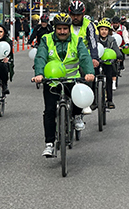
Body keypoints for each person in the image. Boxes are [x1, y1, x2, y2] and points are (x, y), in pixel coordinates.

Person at [32, 13, 95, 157]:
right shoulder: (46, 39)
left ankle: (77, 116)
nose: (62, 32)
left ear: (69, 29)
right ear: (54, 29)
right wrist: (39, 74)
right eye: (59, 28)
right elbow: (41, 56)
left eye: (65, 29)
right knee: (49, 111)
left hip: (72, 80)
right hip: (52, 81)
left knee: (79, 93)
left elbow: (84, 57)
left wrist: (89, 72)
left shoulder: (77, 40)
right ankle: (49, 144)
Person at [95, 19, 121, 109]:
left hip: (108, 63)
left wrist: (119, 56)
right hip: (97, 62)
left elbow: (116, 49)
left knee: (109, 78)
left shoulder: (112, 39)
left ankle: (110, 100)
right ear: (99, 30)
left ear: (108, 31)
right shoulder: (95, 39)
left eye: (106, 30)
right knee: (93, 78)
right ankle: (94, 100)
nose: (104, 32)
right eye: (102, 29)